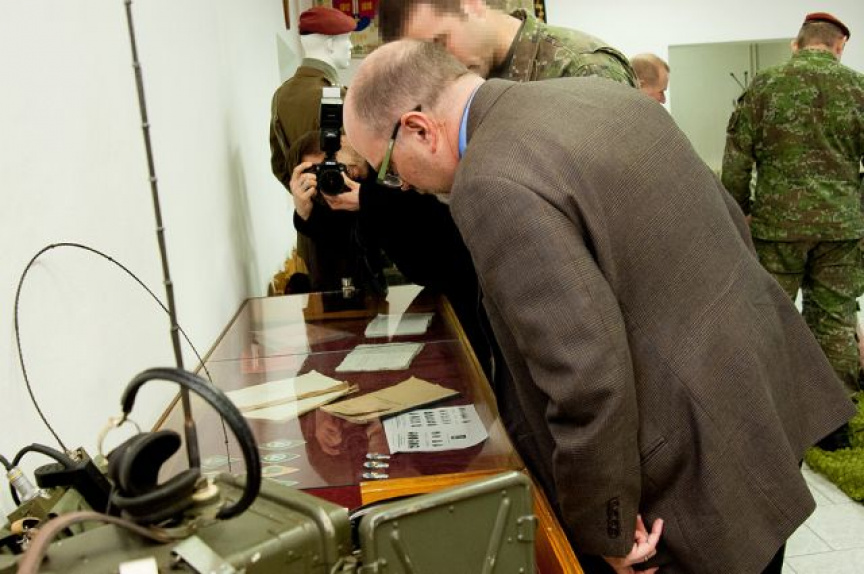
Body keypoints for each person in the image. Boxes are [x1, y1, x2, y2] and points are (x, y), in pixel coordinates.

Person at [343, 40, 855, 574]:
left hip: (690, 467)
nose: (402, 185)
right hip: (758, 396)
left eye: (388, 169)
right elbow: (727, 226)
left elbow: (584, 374)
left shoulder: (490, 180)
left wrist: (606, 526)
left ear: (419, 128)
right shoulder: (603, 95)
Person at [722, 13, 864, 412]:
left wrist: (741, 212)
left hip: (776, 229)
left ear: (795, 44)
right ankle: (836, 421)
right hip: (840, 230)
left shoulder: (764, 85)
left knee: (769, 318)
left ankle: (771, 413)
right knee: (835, 321)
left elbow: (736, 161)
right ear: (839, 46)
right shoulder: (858, 88)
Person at [288, 131, 494, 375]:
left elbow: (433, 213)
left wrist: (367, 199)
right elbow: (350, 239)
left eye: (331, 157)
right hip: (439, 290)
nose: (337, 169)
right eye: (323, 168)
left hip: (475, 278)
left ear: (344, 137)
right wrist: (306, 214)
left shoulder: (391, 153)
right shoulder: (360, 185)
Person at [269, 6, 357, 284]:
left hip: (309, 228)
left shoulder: (281, 96)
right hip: (347, 231)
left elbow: (280, 166)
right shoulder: (338, 98)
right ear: (330, 44)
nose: (351, 46)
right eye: (347, 39)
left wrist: (305, 197)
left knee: (322, 307)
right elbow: (358, 167)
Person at [377, 0, 637, 86]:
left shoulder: (583, 69)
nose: (444, 66)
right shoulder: (471, 82)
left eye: (442, 43)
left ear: (472, 5)